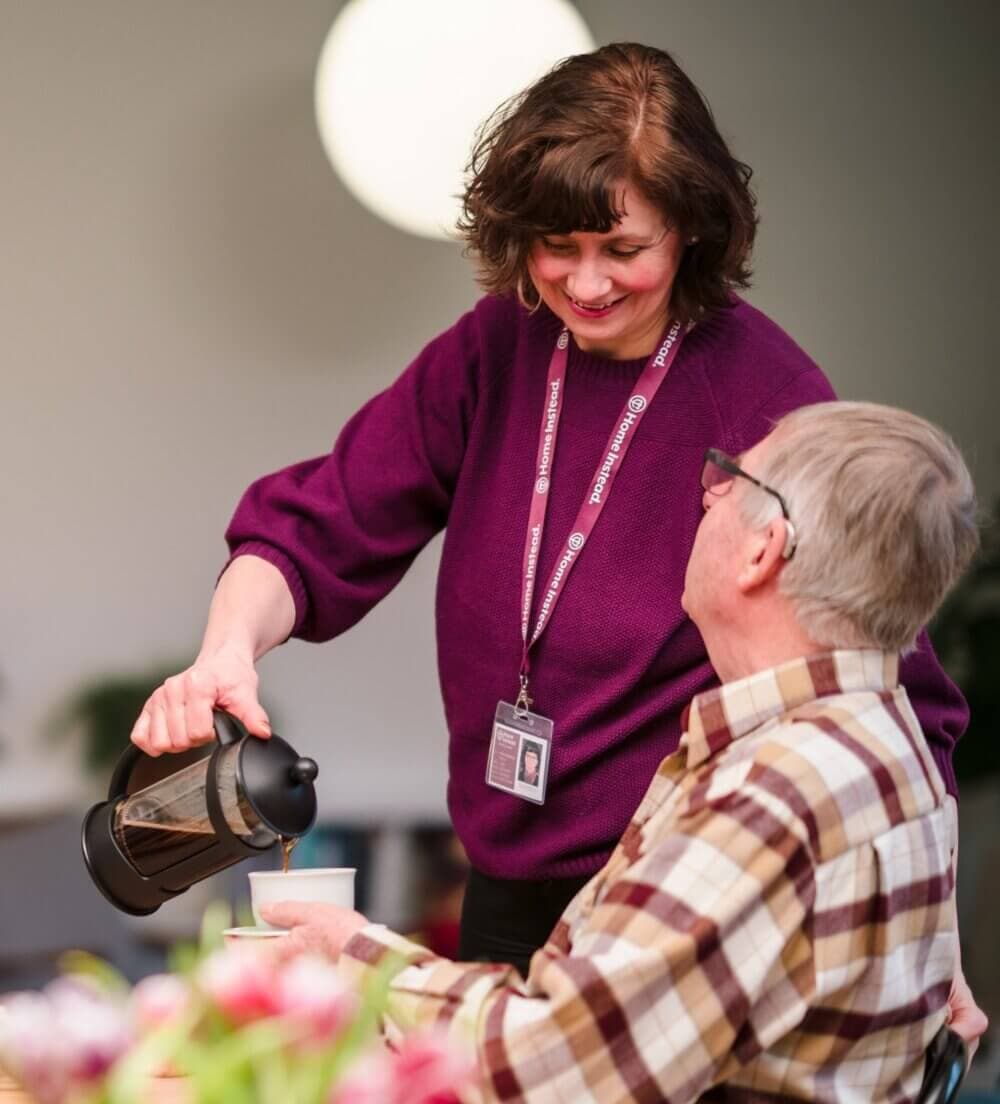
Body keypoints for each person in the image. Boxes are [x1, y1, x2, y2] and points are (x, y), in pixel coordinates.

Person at [131, 43, 970, 981]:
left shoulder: (765, 398)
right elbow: (318, 523)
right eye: (557, 247)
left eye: (624, 249)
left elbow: (897, 690)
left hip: (671, 901)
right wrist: (225, 653)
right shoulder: (503, 345)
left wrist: (931, 951)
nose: (586, 284)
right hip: (499, 878)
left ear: (690, 230)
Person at [259, 401, 980, 1104]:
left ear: (763, 550)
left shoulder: (781, 789)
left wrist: (358, 963)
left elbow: (563, 1073)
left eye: (730, 480)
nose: (706, 497)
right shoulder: (884, 737)